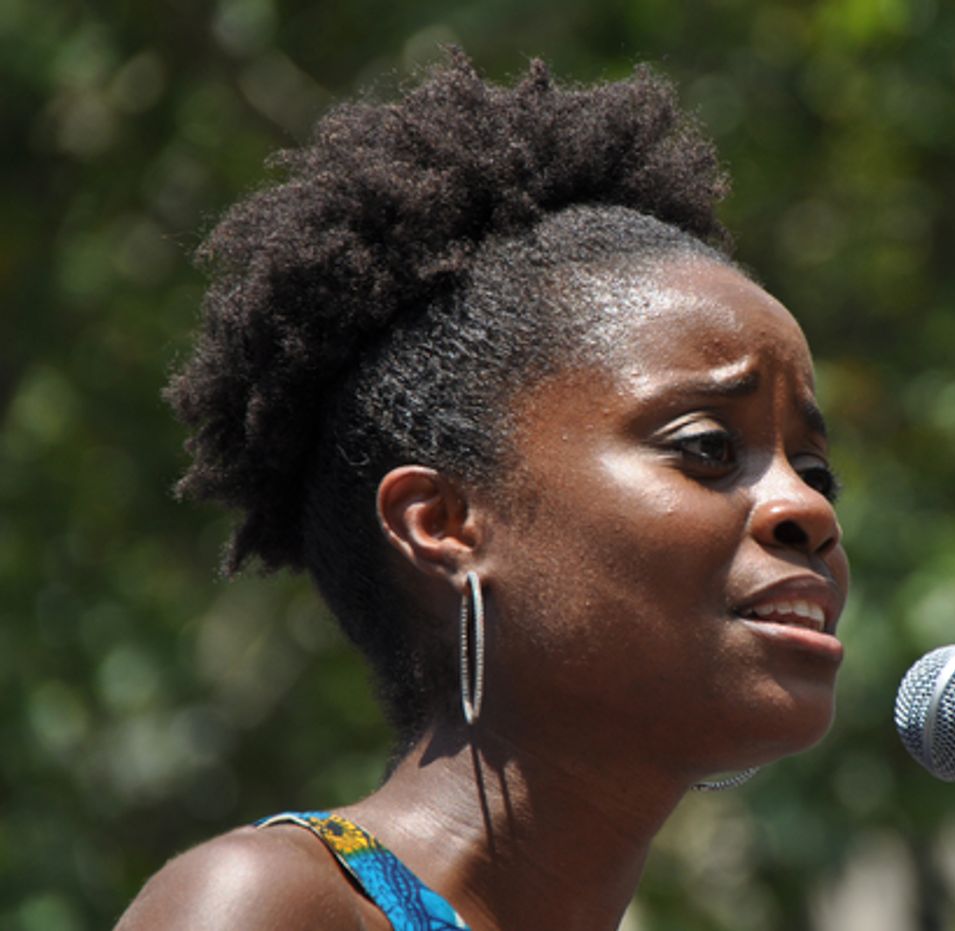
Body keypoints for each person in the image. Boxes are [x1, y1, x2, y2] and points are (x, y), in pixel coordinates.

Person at [116, 49, 849, 931]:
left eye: (816, 472)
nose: (808, 510)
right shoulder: (272, 905)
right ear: (446, 523)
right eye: (705, 448)